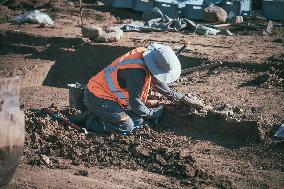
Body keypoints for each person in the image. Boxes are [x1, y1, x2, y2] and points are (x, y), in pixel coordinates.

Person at [83, 43, 187, 135]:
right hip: (97, 97)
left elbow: (157, 79)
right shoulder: (136, 73)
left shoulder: (145, 55)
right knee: (127, 126)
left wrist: (175, 96)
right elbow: (135, 103)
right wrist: (152, 114)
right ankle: (90, 121)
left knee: (138, 121)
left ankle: (105, 116)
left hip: (111, 98)